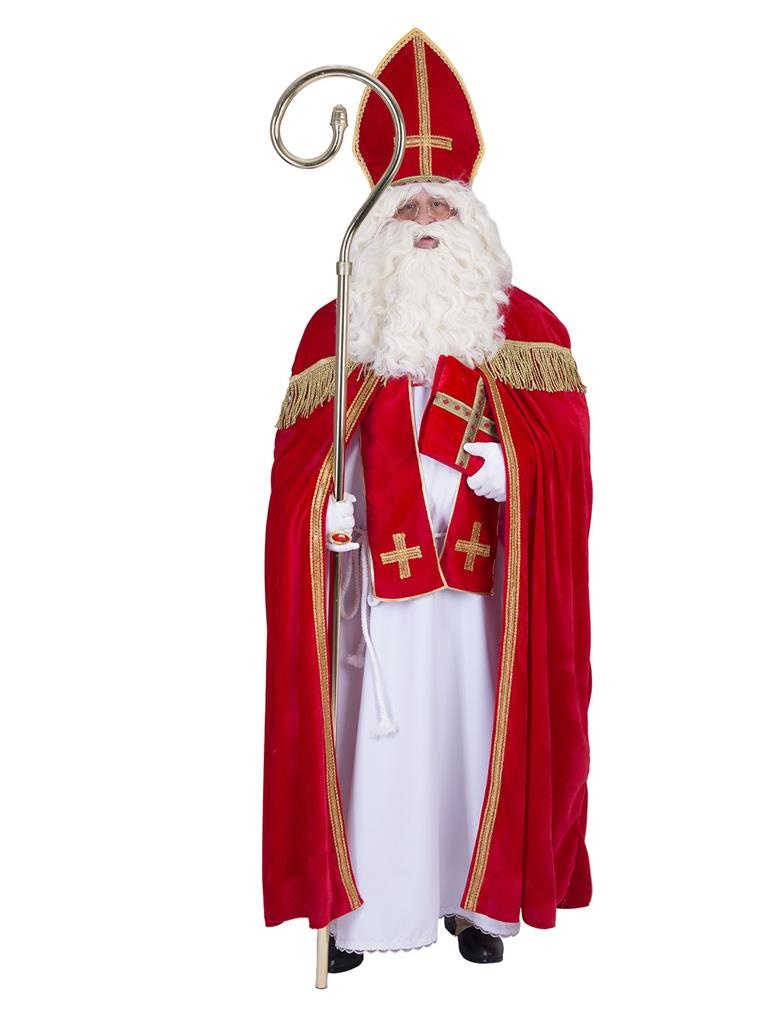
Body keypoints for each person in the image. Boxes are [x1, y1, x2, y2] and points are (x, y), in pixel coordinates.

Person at [262, 27, 593, 975]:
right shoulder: (337, 330)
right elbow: (295, 472)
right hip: (371, 602)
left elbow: (567, 460)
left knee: (479, 738)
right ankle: (357, 916)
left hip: (482, 608)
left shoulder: (525, 328)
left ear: (470, 220)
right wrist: (320, 514)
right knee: (370, 746)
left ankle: (479, 905)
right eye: (404, 206)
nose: (421, 221)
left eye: (438, 204)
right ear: (373, 225)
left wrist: (512, 476)